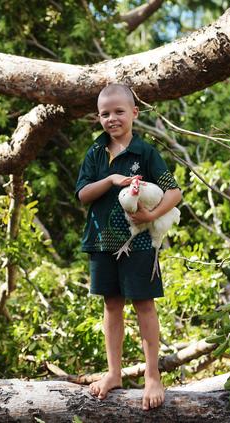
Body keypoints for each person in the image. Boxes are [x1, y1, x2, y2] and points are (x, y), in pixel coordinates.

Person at [74, 84, 182, 410]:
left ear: (134, 113)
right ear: (98, 118)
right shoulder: (95, 154)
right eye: (105, 114)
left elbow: (174, 193)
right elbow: (82, 194)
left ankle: (152, 376)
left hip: (139, 242)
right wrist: (109, 180)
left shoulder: (145, 153)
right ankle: (114, 373)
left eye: (119, 111)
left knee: (144, 305)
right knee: (112, 305)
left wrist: (152, 214)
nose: (112, 118)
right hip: (102, 241)